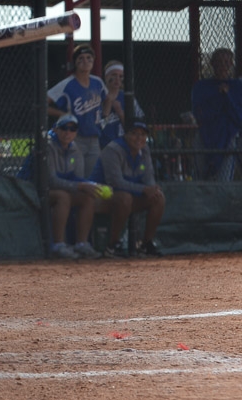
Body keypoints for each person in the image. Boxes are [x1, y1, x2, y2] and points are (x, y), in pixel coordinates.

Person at [17, 114, 103, 259]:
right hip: (31, 189)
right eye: (64, 128)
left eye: (72, 129)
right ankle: (58, 245)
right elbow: (50, 181)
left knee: (87, 197)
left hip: (56, 189)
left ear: (76, 132)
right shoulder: (47, 146)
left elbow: (77, 178)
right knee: (63, 197)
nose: (68, 132)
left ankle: (82, 244)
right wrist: (81, 185)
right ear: (56, 130)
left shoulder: (75, 148)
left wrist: (91, 185)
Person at [90, 119, 166, 258]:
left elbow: (148, 179)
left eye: (143, 134)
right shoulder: (113, 149)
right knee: (125, 198)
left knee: (158, 198)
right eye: (134, 133)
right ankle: (112, 246)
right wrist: (144, 189)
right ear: (125, 135)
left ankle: (146, 244)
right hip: (99, 198)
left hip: (128, 197)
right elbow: (116, 183)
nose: (139, 138)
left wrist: (152, 189)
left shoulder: (144, 149)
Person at [48, 44, 110, 178]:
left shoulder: (98, 82)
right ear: (75, 62)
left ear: (93, 61)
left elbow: (108, 98)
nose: (85, 61)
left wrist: (105, 116)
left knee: (93, 178)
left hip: (94, 138)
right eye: (81, 58)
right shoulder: (67, 84)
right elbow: (43, 103)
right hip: (74, 138)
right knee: (77, 177)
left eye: (89, 58)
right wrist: (62, 114)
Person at [191, 48, 242, 182]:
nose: (222, 66)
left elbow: (239, 118)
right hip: (205, 135)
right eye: (218, 62)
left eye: (226, 62)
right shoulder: (201, 87)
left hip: (228, 137)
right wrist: (219, 99)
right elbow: (200, 114)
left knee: (223, 182)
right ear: (212, 63)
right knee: (201, 179)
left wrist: (227, 97)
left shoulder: (237, 87)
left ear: (231, 64)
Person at [99, 60, 145, 148]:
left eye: (121, 76)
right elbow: (97, 127)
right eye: (114, 75)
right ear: (106, 76)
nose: (117, 79)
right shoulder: (98, 96)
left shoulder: (128, 97)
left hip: (123, 144)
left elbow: (135, 127)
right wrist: (107, 106)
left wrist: (120, 113)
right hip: (102, 144)